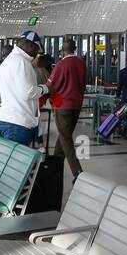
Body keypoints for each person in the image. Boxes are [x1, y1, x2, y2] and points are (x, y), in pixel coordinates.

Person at [0, 33, 47, 146]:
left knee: (6, 161)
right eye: (37, 49)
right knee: (15, 163)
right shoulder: (22, 63)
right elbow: (27, 92)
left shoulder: (8, 61)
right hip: (17, 124)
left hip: (5, 120)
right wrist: (45, 89)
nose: (36, 54)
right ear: (31, 46)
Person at [47, 38, 87, 179]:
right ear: (75, 48)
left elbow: (51, 86)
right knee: (64, 135)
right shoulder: (82, 64)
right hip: (76, 105)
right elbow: (83, 84)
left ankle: (77, 172)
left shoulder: (61, 65)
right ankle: (54, 166)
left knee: (65, 137)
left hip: (62, 105)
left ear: (63, 50)